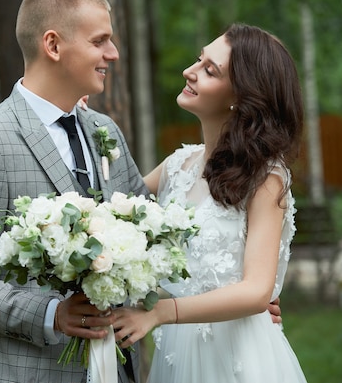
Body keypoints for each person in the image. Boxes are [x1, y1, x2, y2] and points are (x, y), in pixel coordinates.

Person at [0, 0, 148, 383]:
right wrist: (51, 314)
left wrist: (236, 293)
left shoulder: (105, 131)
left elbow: (148, 225)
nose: (113, 54)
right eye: (100, 41)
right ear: (53, 45)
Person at [112, 23, 307, 383]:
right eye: (199, 60)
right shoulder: (176, 166)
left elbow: (255, 290)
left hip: (238, 357)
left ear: (241, 96)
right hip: (176, 353)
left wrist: (160, 312)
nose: (190, 71)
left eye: (209, 70)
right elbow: (110, 213)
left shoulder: (266, 179)